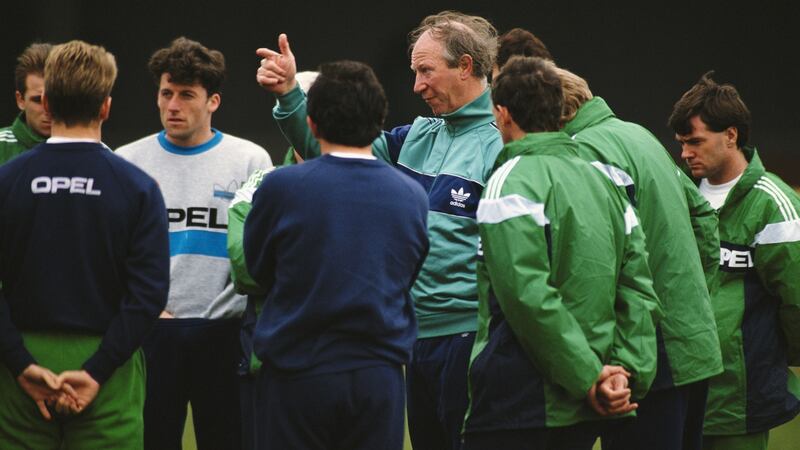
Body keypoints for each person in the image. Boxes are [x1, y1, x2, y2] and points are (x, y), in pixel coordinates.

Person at [256, 11, 502, 449]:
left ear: (465, 66)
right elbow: (332, 148)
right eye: (414, 73)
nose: (417, 85)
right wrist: (291, 95)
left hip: (469, 338)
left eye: (426, 71)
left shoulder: (502, 142)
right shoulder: (417, 135)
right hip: (410, 341)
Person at [462, 55, 661, 450]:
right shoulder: (606, 180)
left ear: (502, 114)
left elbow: (527, 295)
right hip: (592, 401)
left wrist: (587, 377)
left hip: (523, 401)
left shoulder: (510, 179)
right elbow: (638, 288)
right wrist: (623, 373)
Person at [243, 60, 429, 450]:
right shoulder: (410, 194)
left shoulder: (281, 187)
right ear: (380, 121)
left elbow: (258, 268)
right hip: (378, 375)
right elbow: (408, 270)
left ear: (310, 124)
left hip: (297, 371)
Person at [0, 40, 169, 449]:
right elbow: (148, 294)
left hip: (18, 353)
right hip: (109, 360)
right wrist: (96, 370)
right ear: (106, 107)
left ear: (49, 105)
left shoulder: (7, 180)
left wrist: (21, 365)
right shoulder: (138, 187)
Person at [549, 66, 723, 450]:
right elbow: (706, 226)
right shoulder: (639, 135)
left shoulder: (582, 150)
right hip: (691, 339)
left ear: (553, 112)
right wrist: (689, 295)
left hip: (643, 352)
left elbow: (595, 262)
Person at [116, 37, 271, 450]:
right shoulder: (126, 161)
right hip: (150, 331)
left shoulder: (250, 159)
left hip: (224, 332)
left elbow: (260, 251)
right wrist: (148, 308)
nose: (173, 105)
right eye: (167, 93)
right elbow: (113, 253)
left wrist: (223, 311)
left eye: (187, 95)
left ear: (213, 101)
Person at [669, 72, 800, 450]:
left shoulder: (773, 204)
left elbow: (796, 300)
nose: (685, 153)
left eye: (695, 141)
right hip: (678, 387)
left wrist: (774, 362)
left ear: (731, 135)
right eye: (681, 143)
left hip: (741, 398)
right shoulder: (678, 193)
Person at [0, 42, 53, 165]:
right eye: (38, 100)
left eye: (54, 99)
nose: (48, 109)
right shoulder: (2, 147)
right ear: (20, 100)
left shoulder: (92, 151)